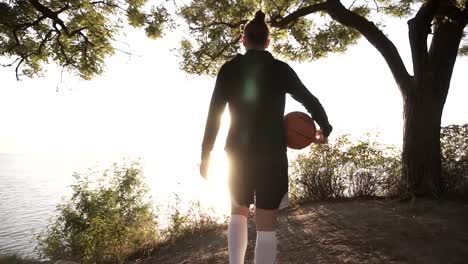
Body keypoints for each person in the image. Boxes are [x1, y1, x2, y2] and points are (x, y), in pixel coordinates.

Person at [199, 10, 333, 264]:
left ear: (244, 40)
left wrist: (206, 154)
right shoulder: (280, 70)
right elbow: (309, 99)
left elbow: (213, 115)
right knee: (266, 224)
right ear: (268, 42)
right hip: (272, 155)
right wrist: (324, 127)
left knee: (237, 212)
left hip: (237, 154)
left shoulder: (229, 69)